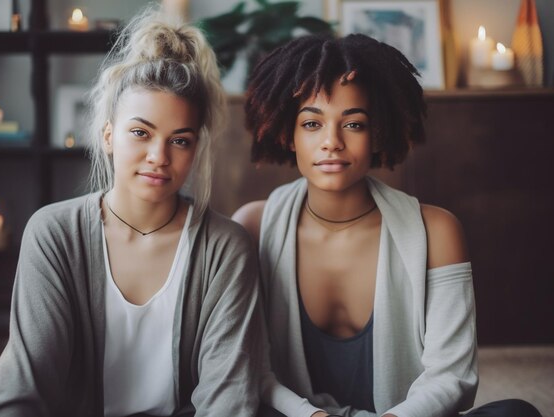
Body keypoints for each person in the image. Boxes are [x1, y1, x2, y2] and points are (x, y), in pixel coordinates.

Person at [0, 9, 262, 417]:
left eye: (180, 140)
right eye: (140, 132)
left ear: (195, 149)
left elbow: (228, 397)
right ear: (108, 135)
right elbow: (27, 382)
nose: (158, 156)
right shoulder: (55, 233)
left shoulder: (225, 248)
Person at [233, 33, 543, 417]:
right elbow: (250, 368)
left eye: (354, 125)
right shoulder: (253, 226)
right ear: (288, 134)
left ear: (377, 133)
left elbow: (453, 377)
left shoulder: (436, 231)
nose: (331, 142)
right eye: (312, 124)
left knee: (515, 412)